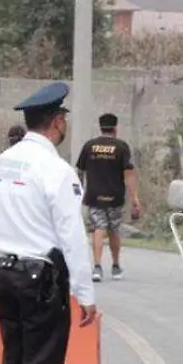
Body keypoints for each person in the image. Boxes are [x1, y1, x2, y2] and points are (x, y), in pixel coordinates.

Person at [0, 81, 97, 364]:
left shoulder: (2, 163)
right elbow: (72, 235)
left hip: (4, 273)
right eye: (63, 117)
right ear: (55, 121)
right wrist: (85, 293)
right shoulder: (55, 169)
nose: (65, 123)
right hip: (40, 279)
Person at [75, 113, 142, 282]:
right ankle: (116, 265)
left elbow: (80, 171)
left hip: (94, 195)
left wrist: (81, 191)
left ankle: (97, 267)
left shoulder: (89, 146)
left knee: (99, 228)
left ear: (100, 127)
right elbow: (128, 174)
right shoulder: (121, 147)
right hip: (115, 196)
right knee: (113, 229)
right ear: (115, 128)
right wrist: (135, 198)